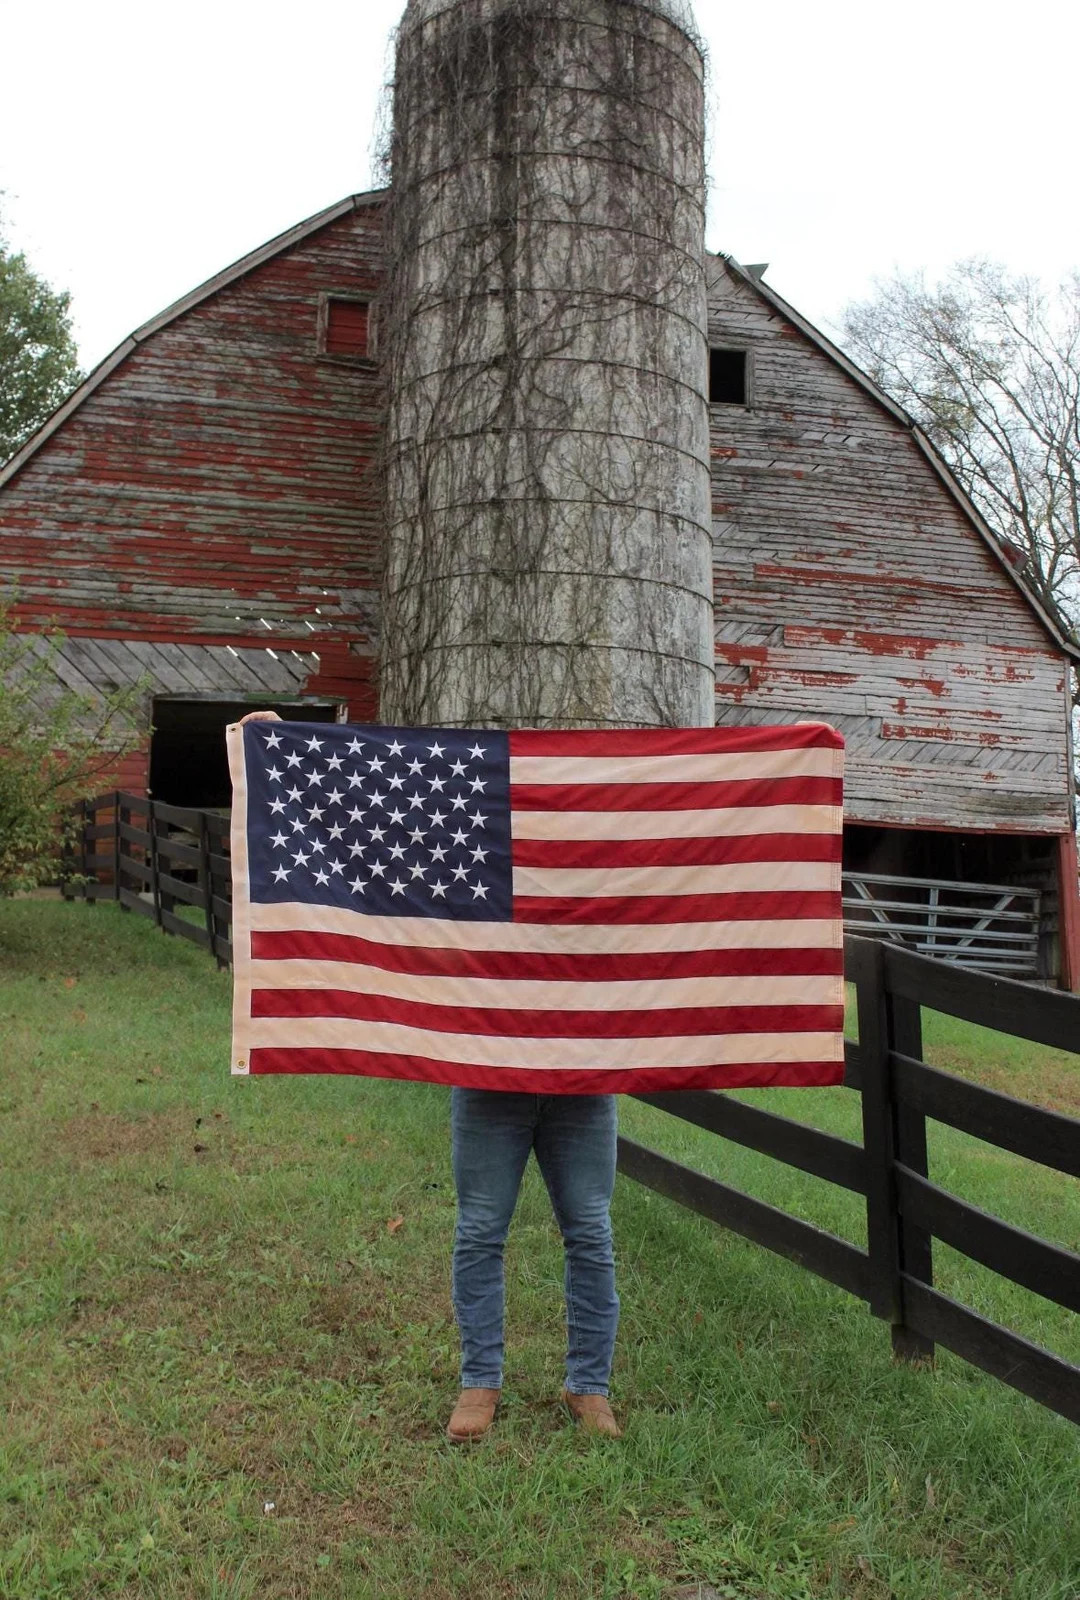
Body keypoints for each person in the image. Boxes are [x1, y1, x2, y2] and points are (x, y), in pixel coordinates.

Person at [237, 711, 622, 1442]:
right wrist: (275, 743)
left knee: (591, 1232)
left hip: (580, 1079)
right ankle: (480, 1383)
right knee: (481, 1231)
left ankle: (589, 1387)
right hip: (487, 1076)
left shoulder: (592, 854)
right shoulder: (459, 851)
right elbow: (366, 814)